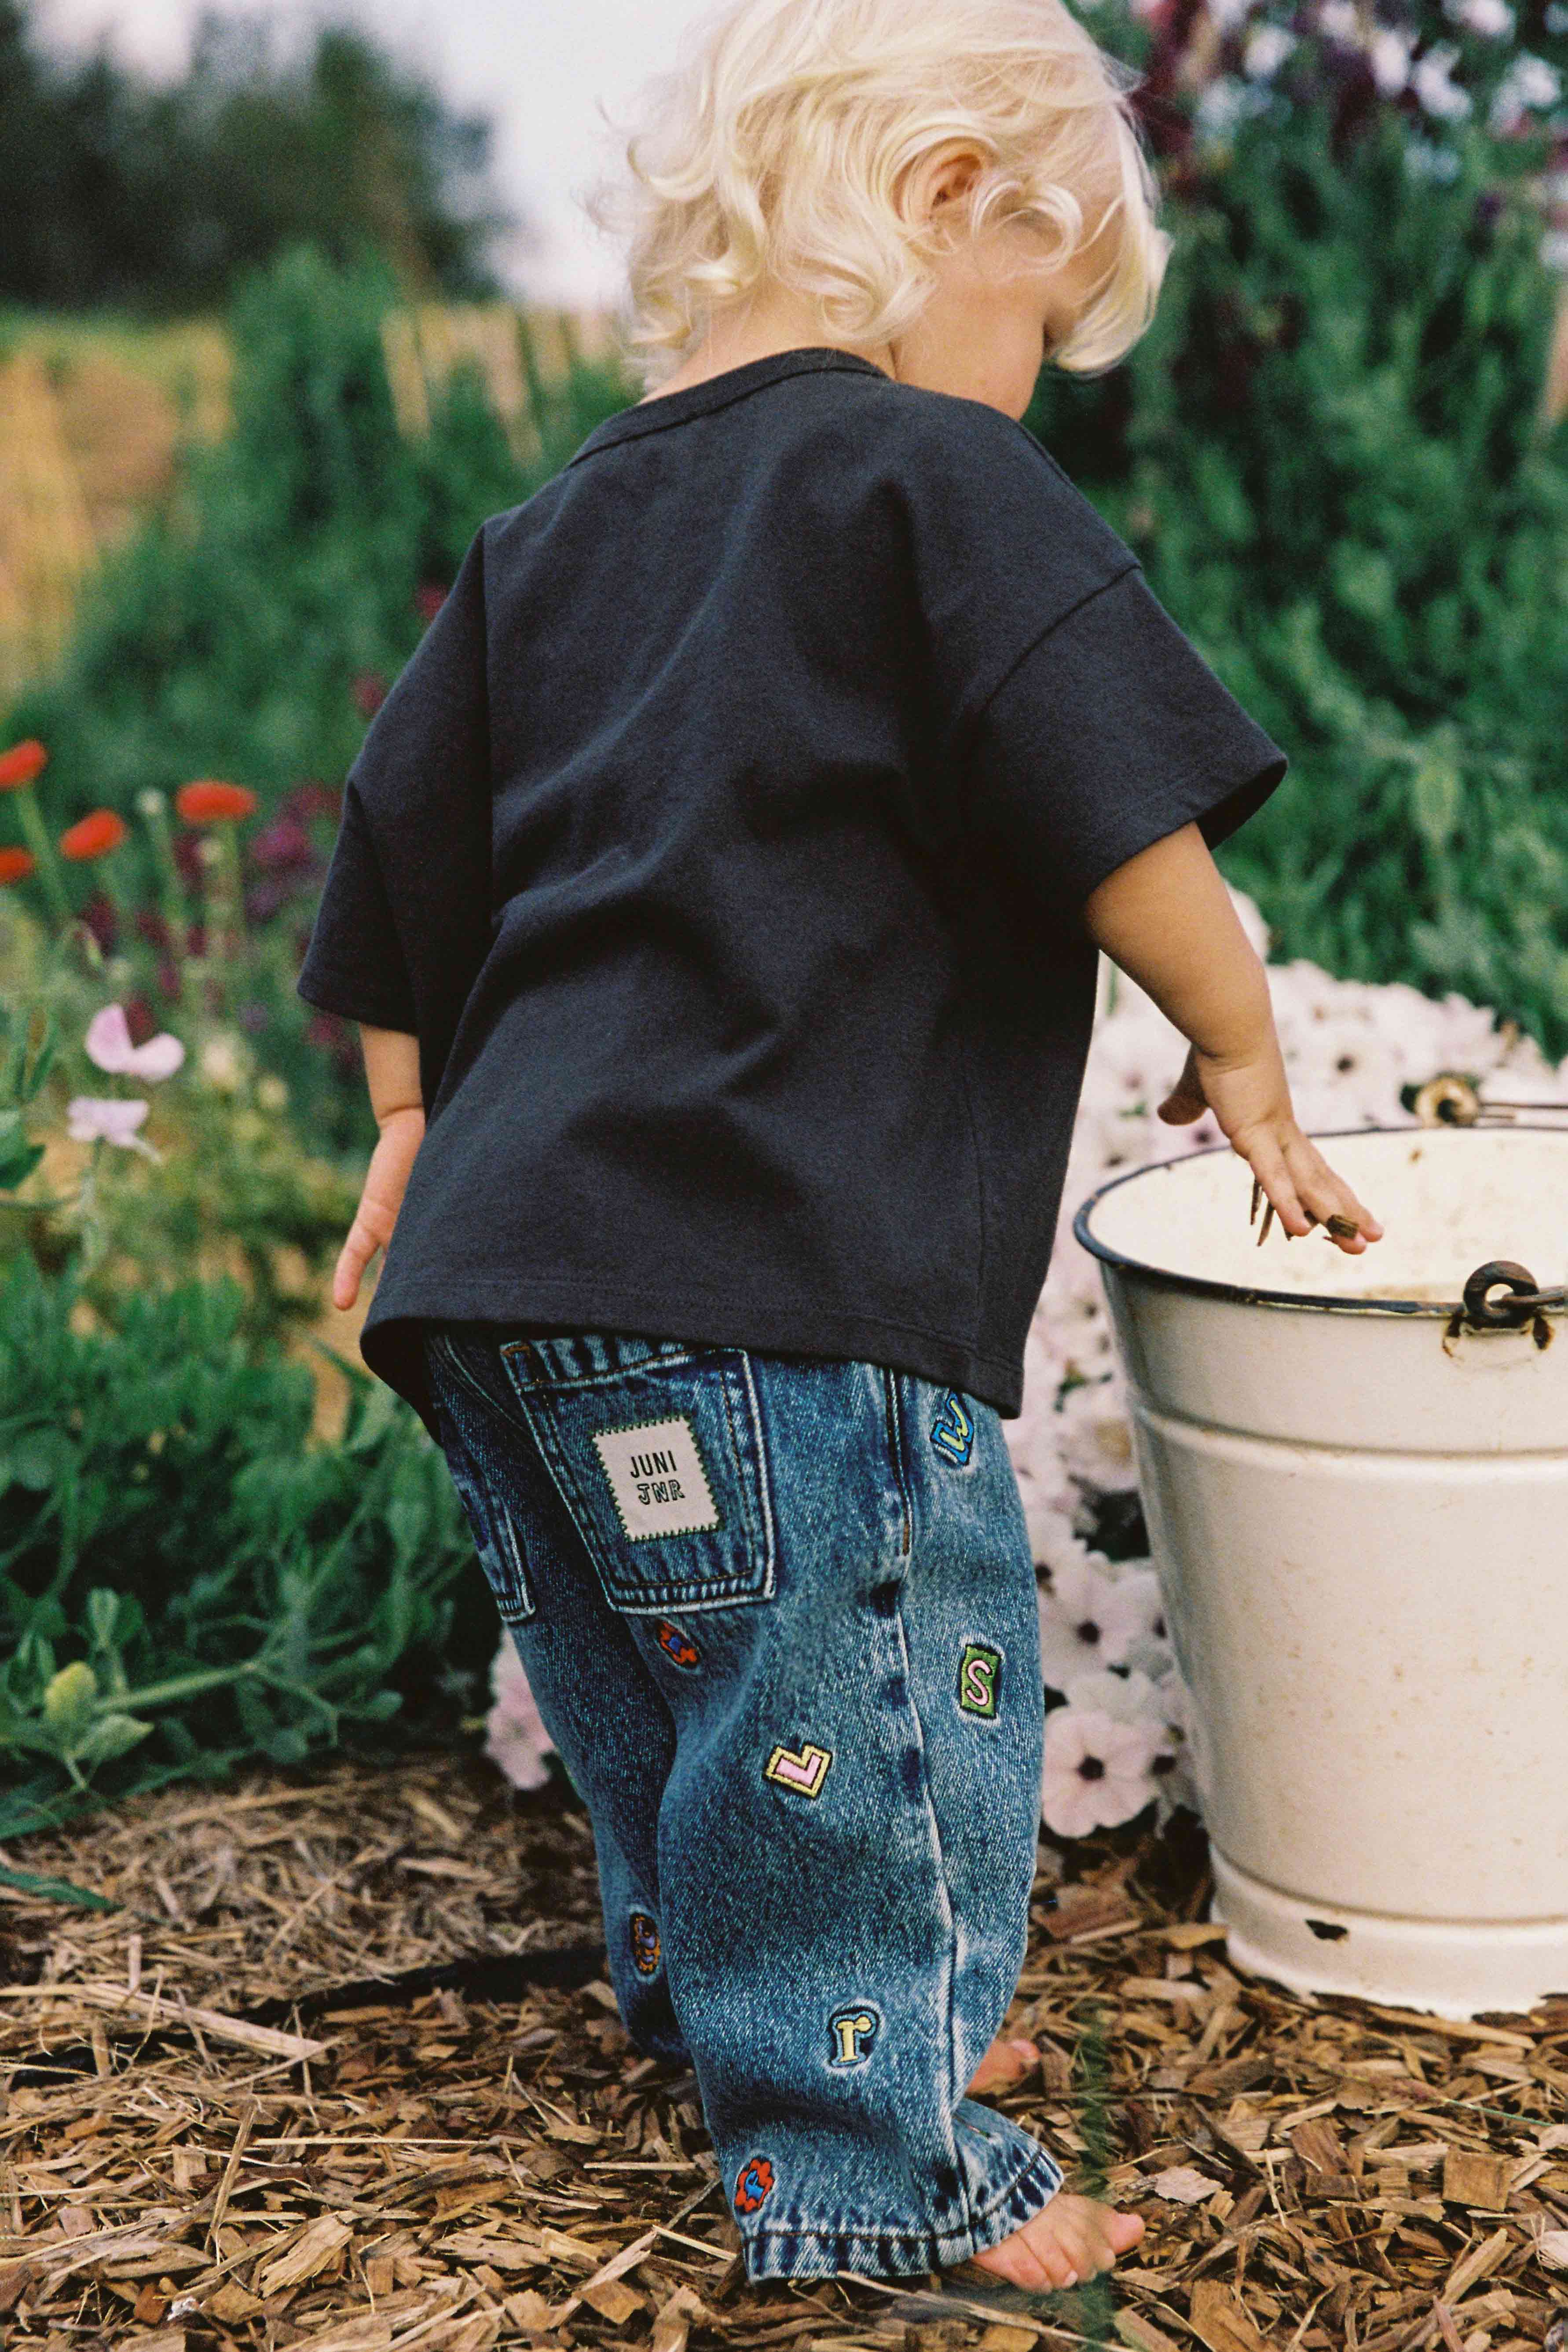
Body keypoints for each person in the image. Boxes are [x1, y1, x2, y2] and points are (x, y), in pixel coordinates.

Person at [295, 0, 1384, 2294]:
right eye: (1035, 322)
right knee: (873, 1680)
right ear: (938, 201)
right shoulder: (922, 478)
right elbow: (1121, 811)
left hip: (509, 1278)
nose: (1032, 387)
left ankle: (778, 2028)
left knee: (677, 1704)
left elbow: (401, 869)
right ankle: (867, 2166)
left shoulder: (551, 530)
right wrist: (1246, 1045)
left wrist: (404, 1129)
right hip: (766, 1256)